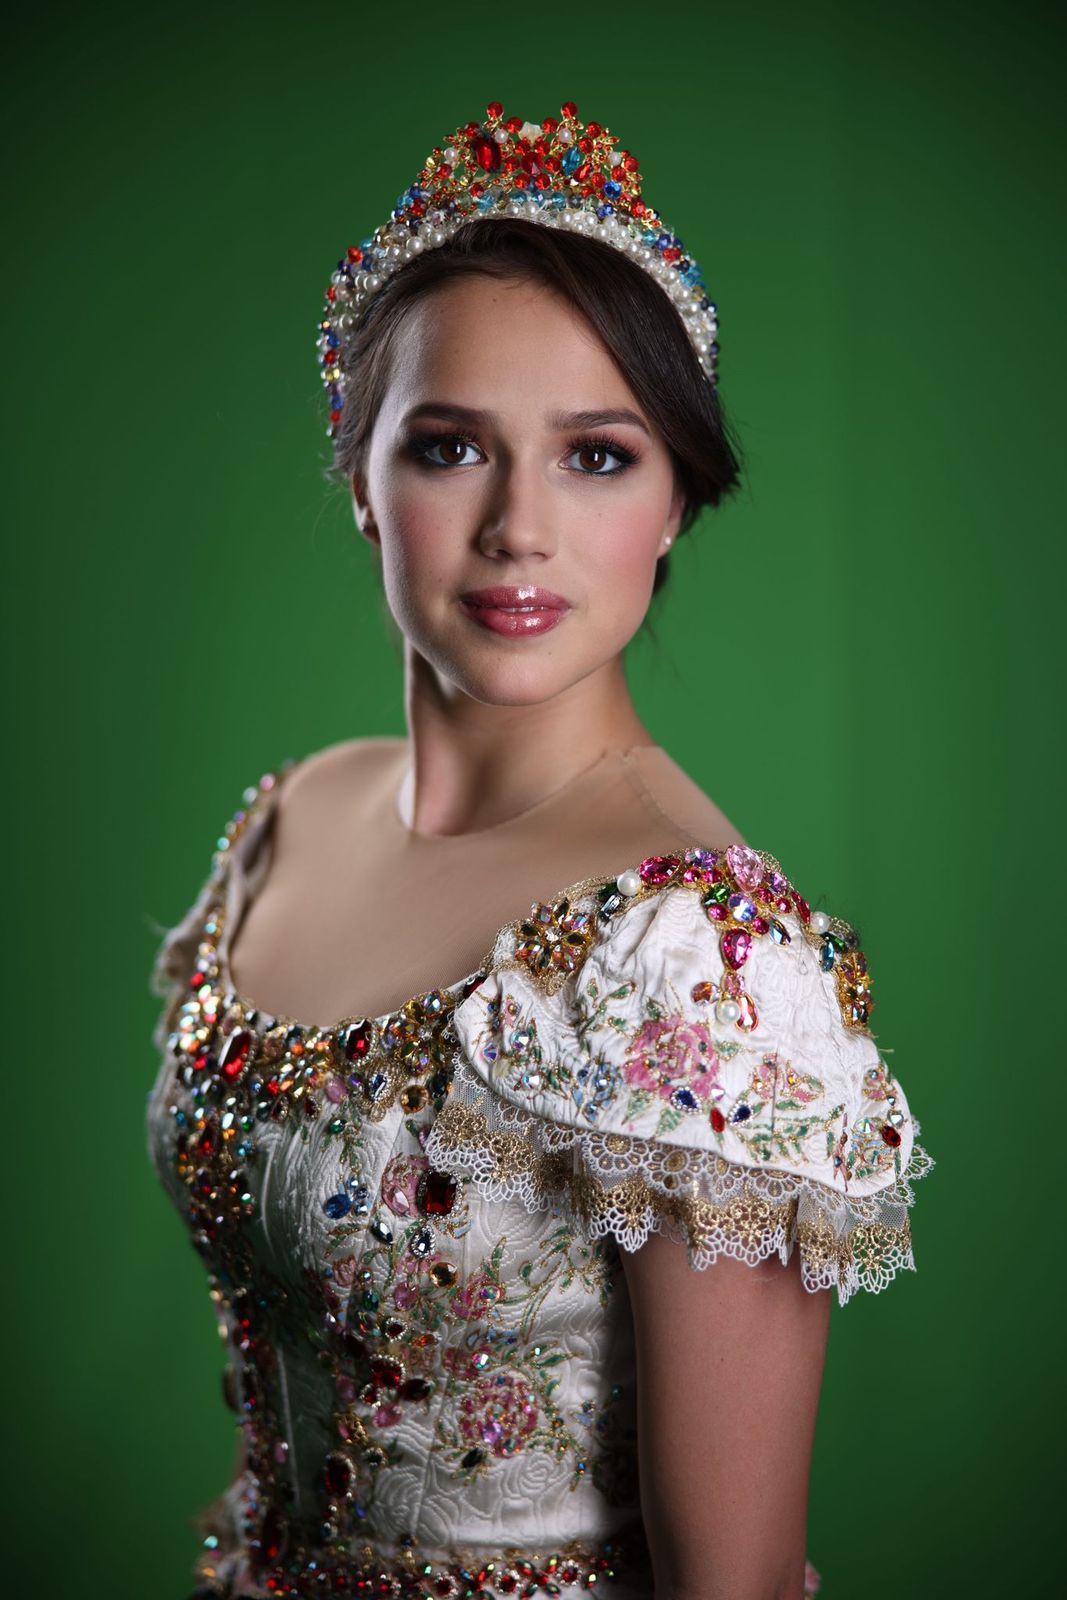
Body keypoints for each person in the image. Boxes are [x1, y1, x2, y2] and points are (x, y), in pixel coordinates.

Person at [145, 100, 931, 1600]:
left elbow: (734, 1583)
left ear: (678, 497)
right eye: (451, 447)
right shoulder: (294, 815)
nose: (519, 527)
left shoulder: (702, 959)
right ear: (361, 478)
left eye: (597, 457)